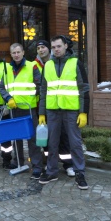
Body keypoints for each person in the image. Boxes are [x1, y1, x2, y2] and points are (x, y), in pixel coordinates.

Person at [38, 35, 90, 190]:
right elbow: (43, 90)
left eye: (58, 46)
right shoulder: (47, 65)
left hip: (71, 111)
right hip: (52, 111)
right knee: (52, 143)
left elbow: (84, 88)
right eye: (53, 47)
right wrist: (42, 113)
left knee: (75, 143)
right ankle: (52, 171)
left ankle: (80, 172)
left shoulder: (76, 63)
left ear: (66, 46)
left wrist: (84, 112)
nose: (56, 50)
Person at [0, 43, 43, 179]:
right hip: (14, 108)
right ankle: (17, 162)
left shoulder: (31, 66)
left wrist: (31, 98)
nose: (16, 55)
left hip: (28, 109)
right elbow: (1, 87)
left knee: (32, 139)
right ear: (11, 54)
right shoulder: (6, 68)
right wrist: (8, 98)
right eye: (14, 53)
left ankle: (36, 166)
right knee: (16, 137)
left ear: (23, 52)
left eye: (18, 52)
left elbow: (40, 85)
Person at [35, 40, 75, 177]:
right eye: (38, 48)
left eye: (43, 47)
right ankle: (49, 163)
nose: (41, 50)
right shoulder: (34, 65)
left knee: (64, 136)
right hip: (44, 106)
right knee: (46, 137)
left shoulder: (56, 62)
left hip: (61, 105)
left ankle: (68, 164)